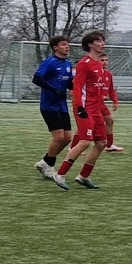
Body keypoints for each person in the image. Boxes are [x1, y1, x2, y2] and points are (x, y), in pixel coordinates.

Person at [56, 32, 113, 189]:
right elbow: (77, 86)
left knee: (101, 143)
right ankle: (60, 174)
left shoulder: (99, 65)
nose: (103, 43)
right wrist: (79, 107)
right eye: (99, 41)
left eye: (103, 41)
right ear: (90, 45)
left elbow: (96, 89)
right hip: (84, 109)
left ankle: (83, 176)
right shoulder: (84, 64)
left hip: (96, 110)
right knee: (85, 141)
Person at [31, 35, 75, 189]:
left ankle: (45, 162)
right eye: (63, 44)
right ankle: (49, 166)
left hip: (62, 105)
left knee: (67, 138)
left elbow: (70, 83)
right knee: (59, 137)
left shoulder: (68, 64)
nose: (67, 47)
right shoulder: (50, 62)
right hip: (49, 105)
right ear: (55, 47)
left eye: (67, 44)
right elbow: (37, 79)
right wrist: (54, 89)